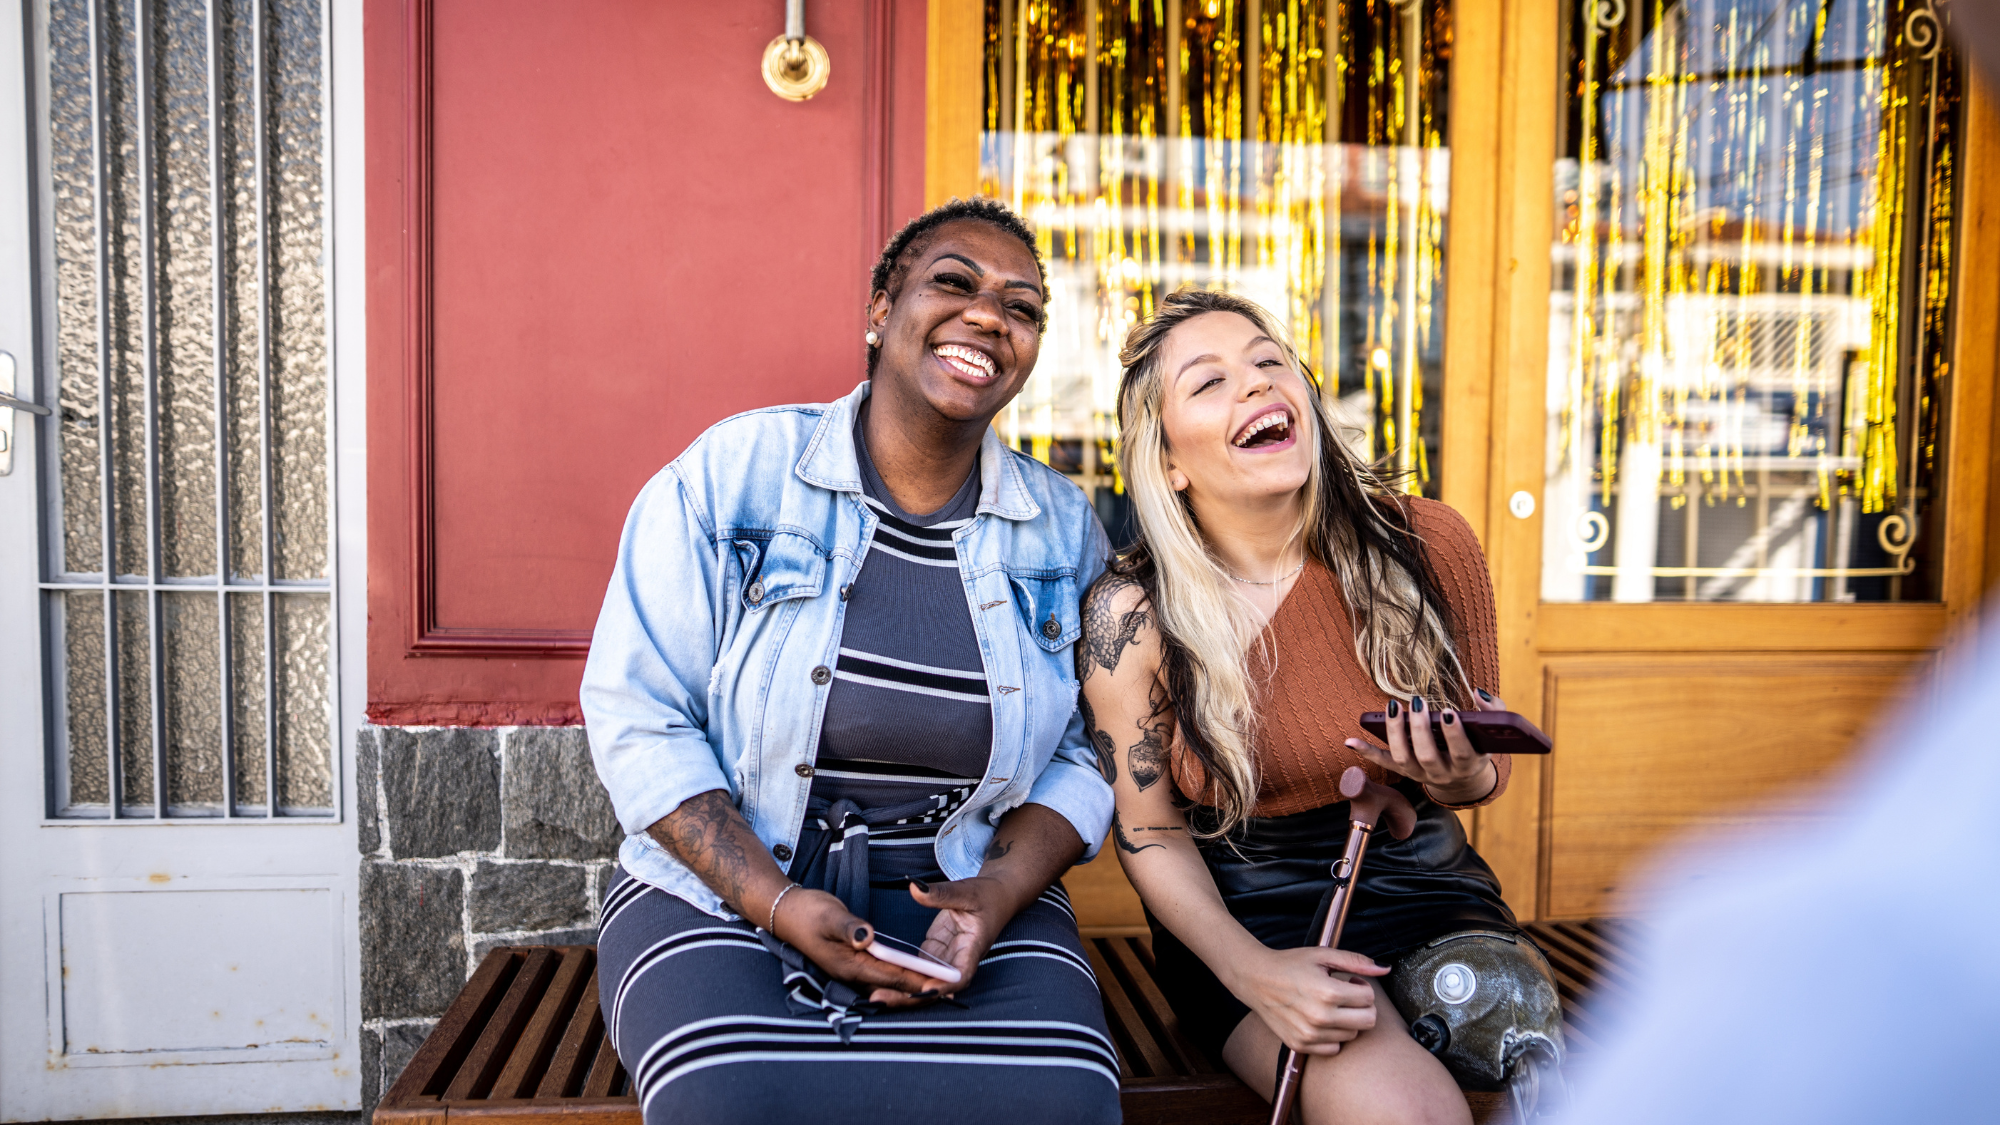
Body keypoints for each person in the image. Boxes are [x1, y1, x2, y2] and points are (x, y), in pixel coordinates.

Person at [581, 199, 1120, 1125]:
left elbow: (1086, 750)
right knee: (738, 1100)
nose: (990, 315)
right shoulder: (733, 474)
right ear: (880, 308)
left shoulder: (1060, 528)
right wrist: (778, 902)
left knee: (1061, 1099)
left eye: (1022, 307)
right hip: (726, 898)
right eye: (954, 283)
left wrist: (995, 894)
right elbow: (641, 717)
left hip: (968, 903)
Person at [1078, 288, 1562, 1124]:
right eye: (1211, 382)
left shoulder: (1426, 544)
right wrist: (1254, 974)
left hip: (1430, 889)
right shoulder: (1132, 615)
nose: (1259, 385)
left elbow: (1483, 778)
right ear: (1169, 463)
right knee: (1406, 1112)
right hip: (1248, 919)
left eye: (1270, 363)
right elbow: (1149, 830)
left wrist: (1457, 774)